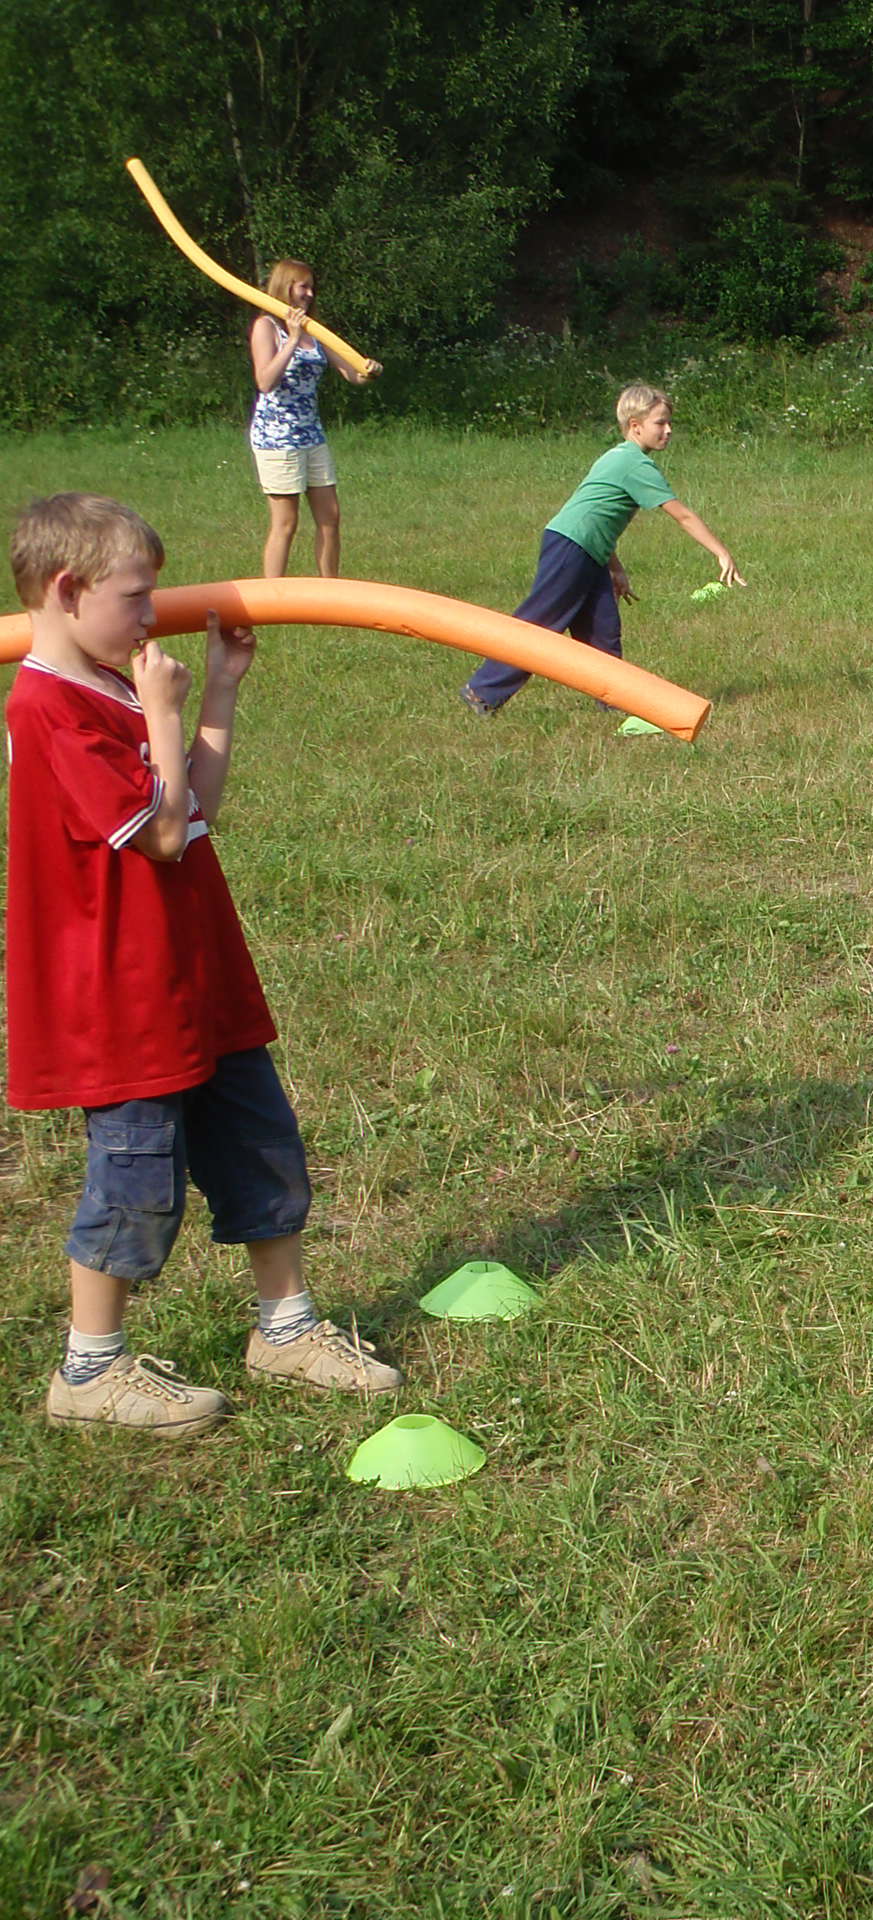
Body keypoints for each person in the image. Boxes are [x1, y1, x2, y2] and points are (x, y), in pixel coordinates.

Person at [8, 493, 402, 1436]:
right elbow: (161, 836)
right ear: (67, 590)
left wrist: (217, 691)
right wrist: (163, 711)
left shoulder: (109, 686)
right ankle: (88, 1372)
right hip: (121, 998)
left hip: (190, 973)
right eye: (136, 598)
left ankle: (286, 1327)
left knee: (260, 1143)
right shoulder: (46, 708)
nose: (154, 615)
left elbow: (196, 810)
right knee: (135, 1178)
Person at [461, 383, 743, 718]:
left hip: (588, 549)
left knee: (601, 629)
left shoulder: (619, 456)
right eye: (660, 423)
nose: (668, 430)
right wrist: (721, 552)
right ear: (635, 426)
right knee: (540, 624)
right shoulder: (635, 464)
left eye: (669, 422)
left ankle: (613, 700)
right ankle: (482, 691)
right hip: (570, 546)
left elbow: (598, 519)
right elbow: (681, 515)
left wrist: (615, 568)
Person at [246, 259, 378, 580]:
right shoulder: (266, 327)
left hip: (311, 434)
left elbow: (350, 373)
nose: (310, 293)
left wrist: (368, 372)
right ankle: (272, 595)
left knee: (330, 517)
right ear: (285, 287)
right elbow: (265, 381)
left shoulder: (314, 331)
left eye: (311, 287)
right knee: (286, 523)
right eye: (303, 286)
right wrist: (291, 340)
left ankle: (330, 590)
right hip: (277, 437)